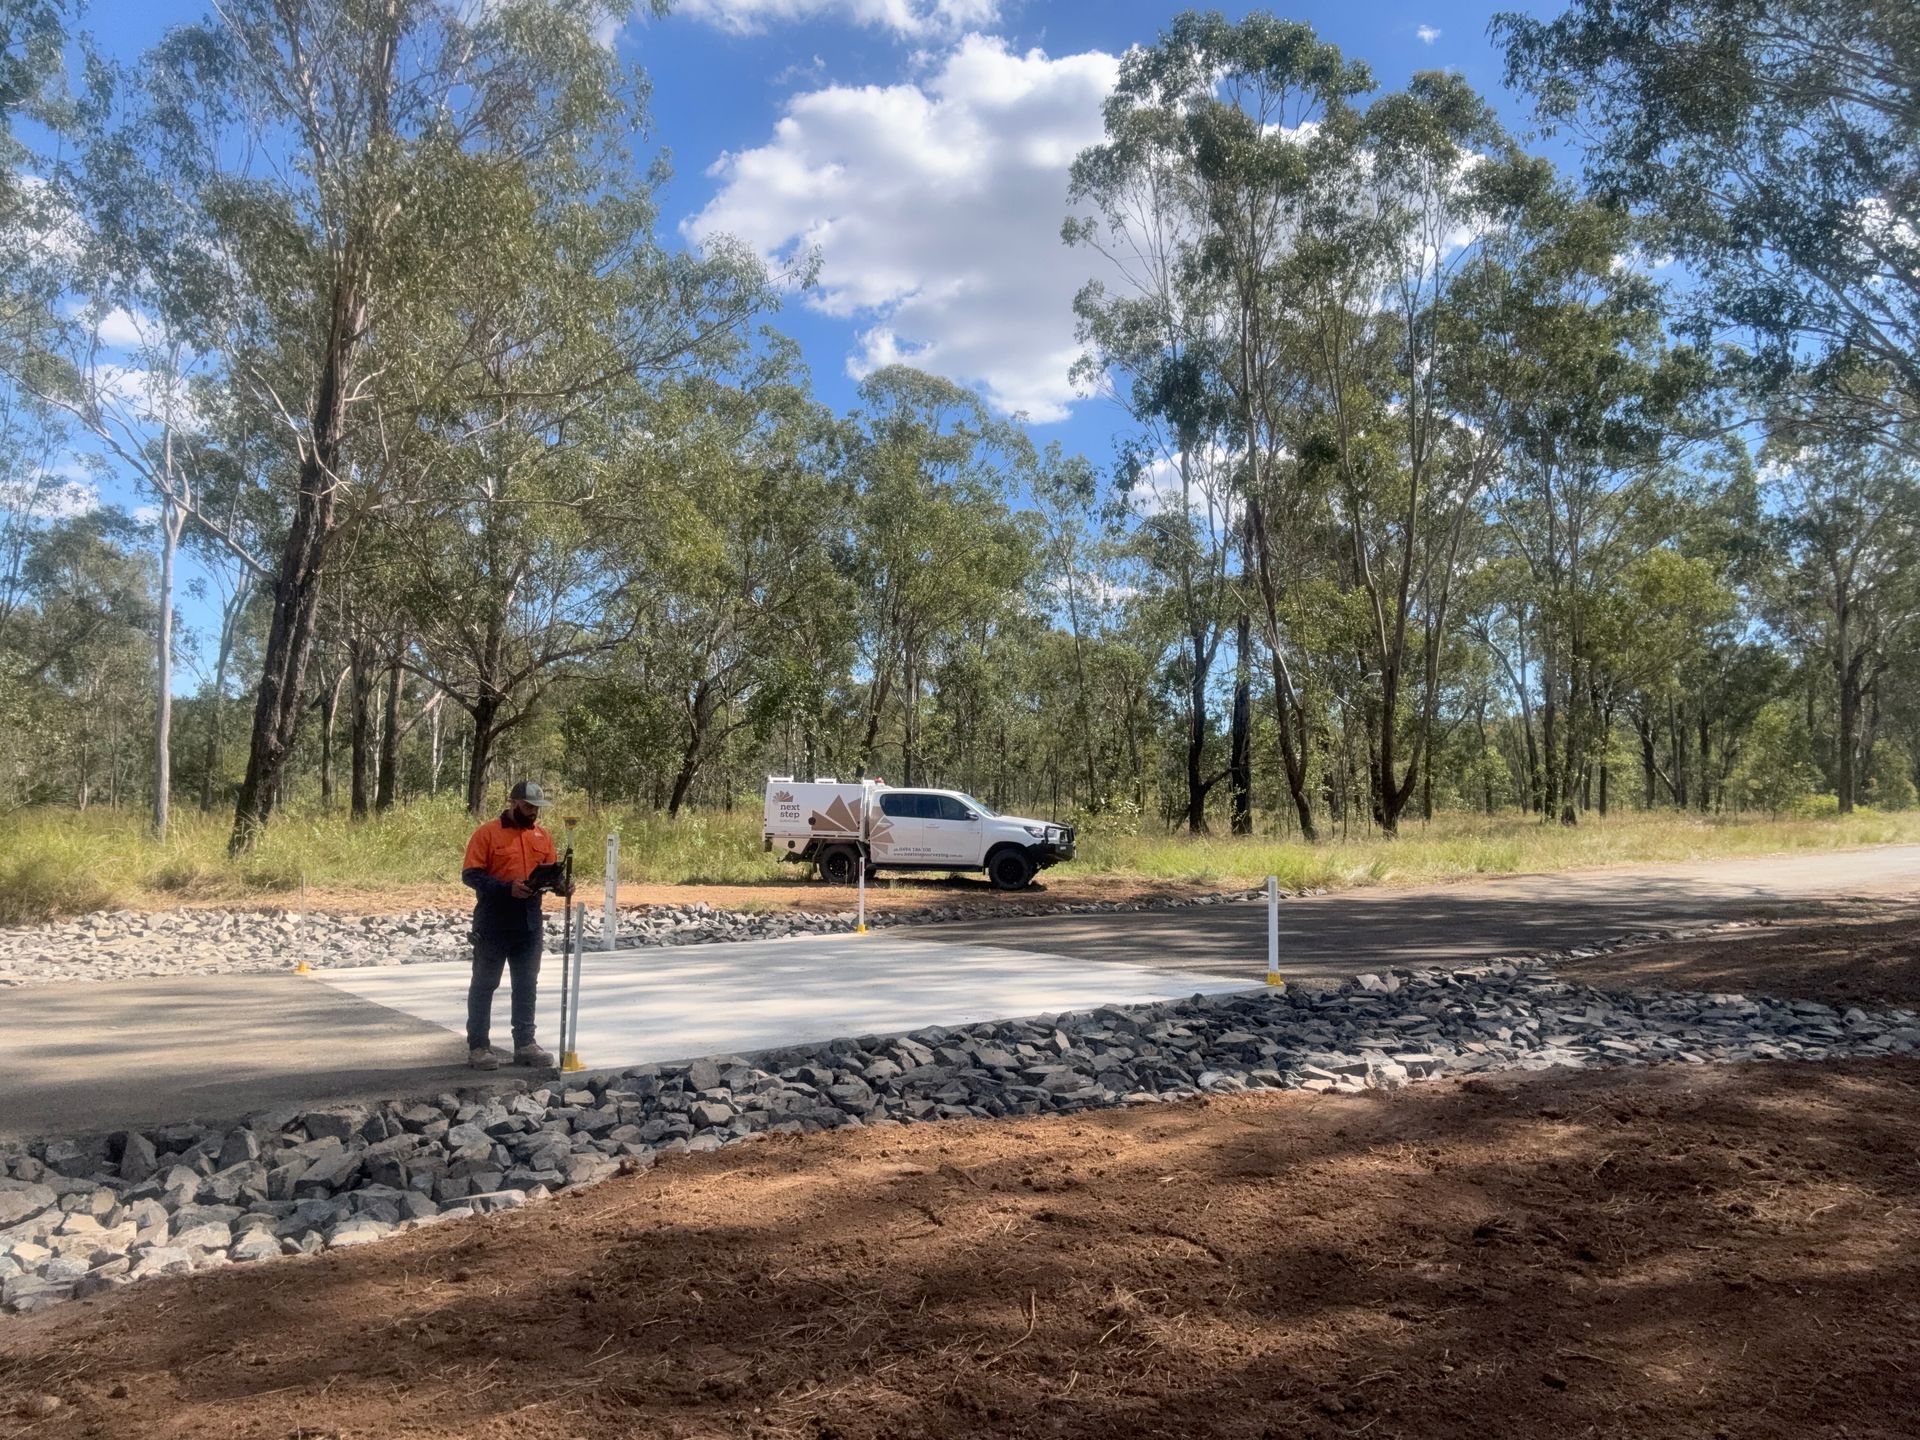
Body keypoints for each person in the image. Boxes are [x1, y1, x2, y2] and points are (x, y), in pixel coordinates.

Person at [461, 779, 572, 1070]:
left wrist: (561, 886)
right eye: (527, 806)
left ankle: (525, 1044)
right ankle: (479, 1047)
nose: (533, 812)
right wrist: (506, 888)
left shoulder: (542, 837)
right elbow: (471, 875)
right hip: (494, 920)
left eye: (536, 808)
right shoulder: (487, 834)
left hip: (529, 922)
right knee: (485, 984)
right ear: (513, 803)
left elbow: (549, 876)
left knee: (526, 984)